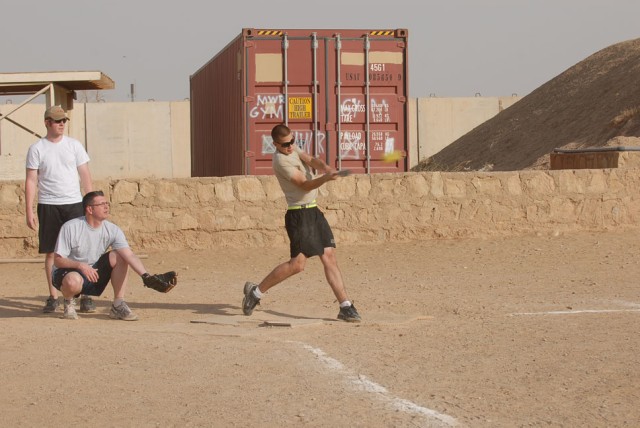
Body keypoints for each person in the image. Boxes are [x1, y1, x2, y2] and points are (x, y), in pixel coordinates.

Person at [242, 124, 361, 322]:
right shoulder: (281, 161)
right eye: (285, 144)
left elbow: (310, 159)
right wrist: (325, 179)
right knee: (297, 265)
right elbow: (304, 185)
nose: (290, 146)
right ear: (276, 145)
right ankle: (256, 293)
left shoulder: (292, 147)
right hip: (299, 216)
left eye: (292, 141)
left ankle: (345, 306)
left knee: (329, 256)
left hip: (313, 211)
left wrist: (324, 167)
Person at [53, 190, 172, 320]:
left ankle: (118, 304)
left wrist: (146, 276)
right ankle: (69, 302)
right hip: (68, 272)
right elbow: (58, 261)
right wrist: (81, 266)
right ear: (89, 209)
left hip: (93, 272)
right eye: (101, 204)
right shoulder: (71, 227)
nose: (106, 207)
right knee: (73, 281)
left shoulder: (112, 229)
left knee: (121, 256)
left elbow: (129, 255)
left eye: (107, 203)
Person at [25, 105, 94, 314]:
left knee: (80, 250)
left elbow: (85, 175)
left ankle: (84, 295)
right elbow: (31, 180)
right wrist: (28, 209)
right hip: (48, 205)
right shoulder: (37, 148)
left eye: (64, 120)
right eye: (57, 121)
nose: (62, 124)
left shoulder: (74, 145)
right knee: (51, 252)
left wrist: (90, 202)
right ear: (47, 123)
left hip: (73, 204)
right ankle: (53, 296)